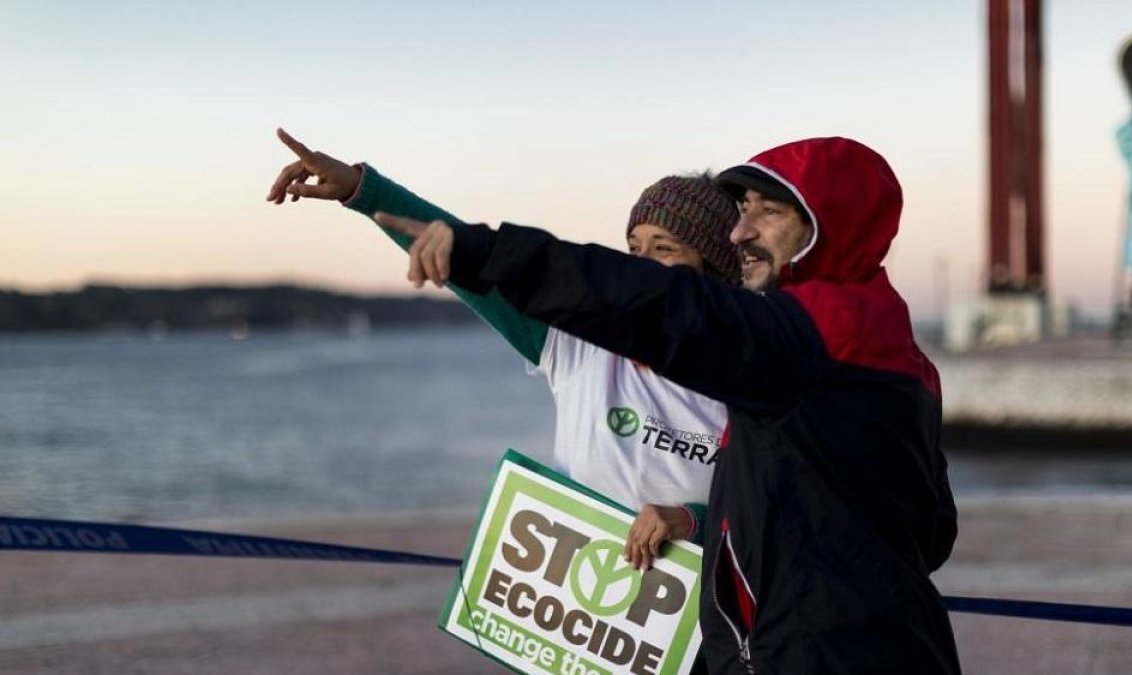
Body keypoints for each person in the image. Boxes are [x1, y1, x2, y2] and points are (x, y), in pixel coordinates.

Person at [370, 137, 961, 674]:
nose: (741, 231)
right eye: (744, 209)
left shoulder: (809, 336)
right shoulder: (894, 348)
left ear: (828, 227)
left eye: (769, 211)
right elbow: (931, 532)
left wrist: (488, 250)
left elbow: (659, 308)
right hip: (829, 641)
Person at [266, 129, 740, 571]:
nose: (640, 268)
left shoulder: (749, 378)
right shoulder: (583, 348)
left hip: (703, 636)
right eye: (634, 249)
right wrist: (361, 190)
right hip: (577, 626)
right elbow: (475, 266)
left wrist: (690, 521)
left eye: (664, 250)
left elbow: (782, 508)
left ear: (714, 272)